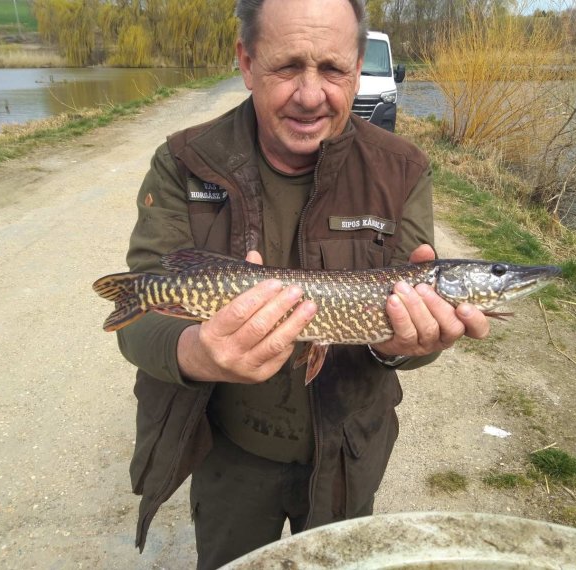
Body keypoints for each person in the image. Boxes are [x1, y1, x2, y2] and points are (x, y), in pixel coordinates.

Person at [115, 0, 490, 567]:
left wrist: (403, 351)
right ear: (246, 61)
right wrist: (197, 351)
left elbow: (410, 333)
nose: (311, 95)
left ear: (358, 66)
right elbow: (138, 318)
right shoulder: (184, 162)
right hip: (228, 451)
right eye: (288, 66)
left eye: (333, 69)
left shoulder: (402, 168)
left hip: (349, 452)